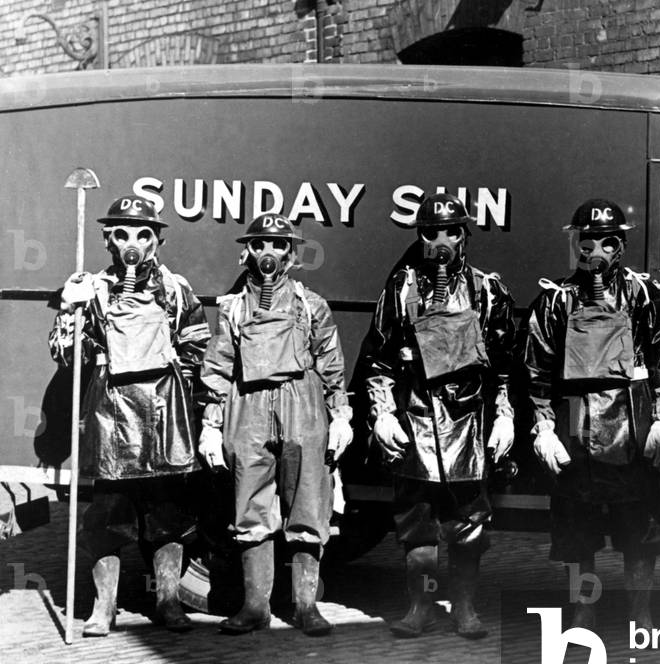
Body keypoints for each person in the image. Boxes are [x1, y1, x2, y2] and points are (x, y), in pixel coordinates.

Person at [50, 194, 210, 636]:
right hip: (112, 415)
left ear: (156, 240)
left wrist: (180, 381)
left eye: (142, 234)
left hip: (163, 413)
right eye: (122, 234)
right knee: (107, 520)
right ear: (108, 240)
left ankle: (169, 602)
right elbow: (65, 356)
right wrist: (70, 311)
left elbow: (199, 345)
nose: (132, 243)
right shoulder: (91, 290)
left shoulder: (177, 289)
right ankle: (105, 608)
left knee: (168, 517)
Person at [361, 192, 516, 639]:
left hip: (468, 422)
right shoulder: (401, 287)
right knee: (417, 524)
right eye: (431, 233)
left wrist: (504, 415)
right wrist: (382, 413)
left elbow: (505, 364)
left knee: (469, 524)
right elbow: (379, 358)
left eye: (451, 232)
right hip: (418, 420)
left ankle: (465, 608)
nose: (441, 242)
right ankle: (420, 607)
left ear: (465, 236)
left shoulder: (488, 289)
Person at [522, 198, 660, 629]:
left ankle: (641, 615)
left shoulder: (642, 295)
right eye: (586, 242)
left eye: (607, 242)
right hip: (576, 431)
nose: (596, 253)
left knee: (639, 534)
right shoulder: (555, 301)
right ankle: (583, 612)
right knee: (576, 534)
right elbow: (537, 370)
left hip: (633, 429)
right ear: (576, 243)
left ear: (620, 245)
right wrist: (543, 427)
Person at [198, 214, 353, 637]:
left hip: (302, 406)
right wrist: (211, 423)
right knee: (251, 507)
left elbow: (330, 362)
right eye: (261, 244)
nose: (269, 253)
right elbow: (218, 365)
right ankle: (255, 607)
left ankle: (306, 606)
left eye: (278, 245)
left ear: (291, 252)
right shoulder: (232, 307)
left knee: (306, 505)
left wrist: (341, 414)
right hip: (246, 408)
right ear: (247, 250)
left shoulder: (310, 304)